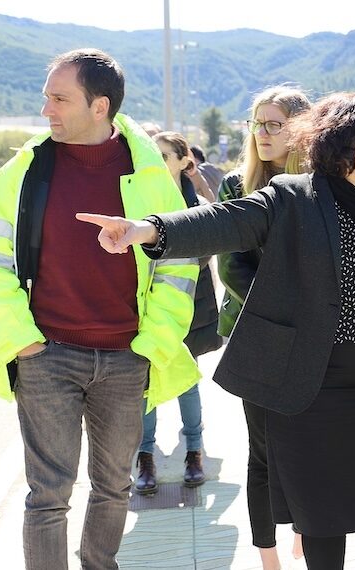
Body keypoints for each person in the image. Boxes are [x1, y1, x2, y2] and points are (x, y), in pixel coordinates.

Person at [77, 92, 355, 570]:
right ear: (349, 148)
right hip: (316, 396)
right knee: (324, 523)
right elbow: (223, 222)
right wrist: (146, 230)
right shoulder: (295, 199)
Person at [0, 48, 198, 569]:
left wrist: (150, 346)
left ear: (99, 106)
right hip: (46, 356)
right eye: (47, 96)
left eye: (59, 98)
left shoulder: (149, 174)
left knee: (114, 488)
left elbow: (179, 267)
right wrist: (25, 343)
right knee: (48, 495)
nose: (46, 109)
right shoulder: (25, 171)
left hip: (126, 358)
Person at [216, 85, 312, 570]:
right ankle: (267, 555)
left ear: (301, 131)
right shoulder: (237, 186)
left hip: (310, 337)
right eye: (258, 123)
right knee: (263, 451)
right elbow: (231, 268)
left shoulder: (320, 187)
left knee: (307, 443)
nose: (263, 133)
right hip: (255, 333)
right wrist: (284, 311)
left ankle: (304, 534)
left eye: (275, 124)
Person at [132, 131, 223, 494]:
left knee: (186, 379)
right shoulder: (139, 197)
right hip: (145, 303)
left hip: (188, 304)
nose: (157, 161)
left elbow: (205, 253)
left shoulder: (195, 205)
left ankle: (194, 452)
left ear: (185, 162)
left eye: (165, 155)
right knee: (145, 381)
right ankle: (145, 457)